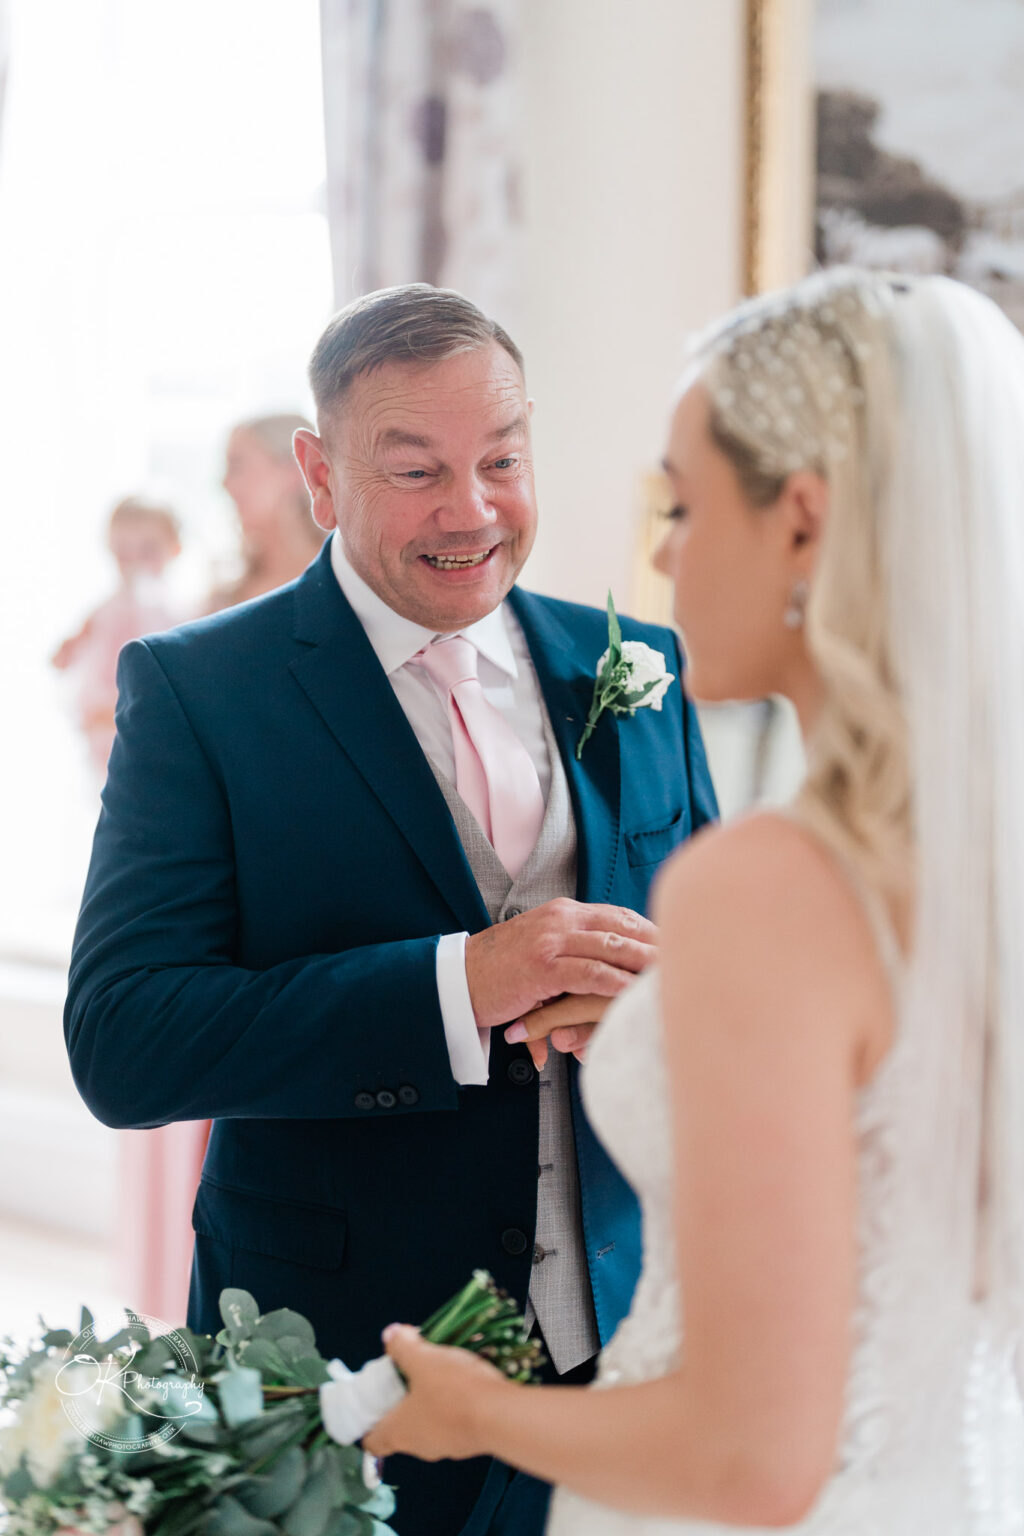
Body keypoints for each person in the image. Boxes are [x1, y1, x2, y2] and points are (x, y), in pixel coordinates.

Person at [361, 269, 1024, 1532]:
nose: (660, 552)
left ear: (801, 525)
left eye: (682, 501)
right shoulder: (977, 856)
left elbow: (746, 1463)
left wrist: (466, 1410)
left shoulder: (775, 885)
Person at [64, 284, 718, 1536]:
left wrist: (666, 1000)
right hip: (336, 1379)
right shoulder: (201, 693)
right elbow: (124, 1042)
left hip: (628, 1358)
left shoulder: (637, 670)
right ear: (319, 472)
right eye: (415, 471)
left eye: (501, 462)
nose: (469, 512)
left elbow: (726, 974)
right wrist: (456, 987)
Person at [52, 495, 183, 778]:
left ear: (174, 549)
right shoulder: (107, 605)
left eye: (147, 550)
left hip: (139, 714)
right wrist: (67, 651)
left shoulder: (171, 609)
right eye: (124, 551)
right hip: (99, 710)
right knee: (102, 784)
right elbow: (76, 642)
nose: (135, 561)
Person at [205, 412, 326, 612]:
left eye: (237, 466)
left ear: (295, 472)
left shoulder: (342, 579)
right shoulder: (226, 591)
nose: (225, 483)